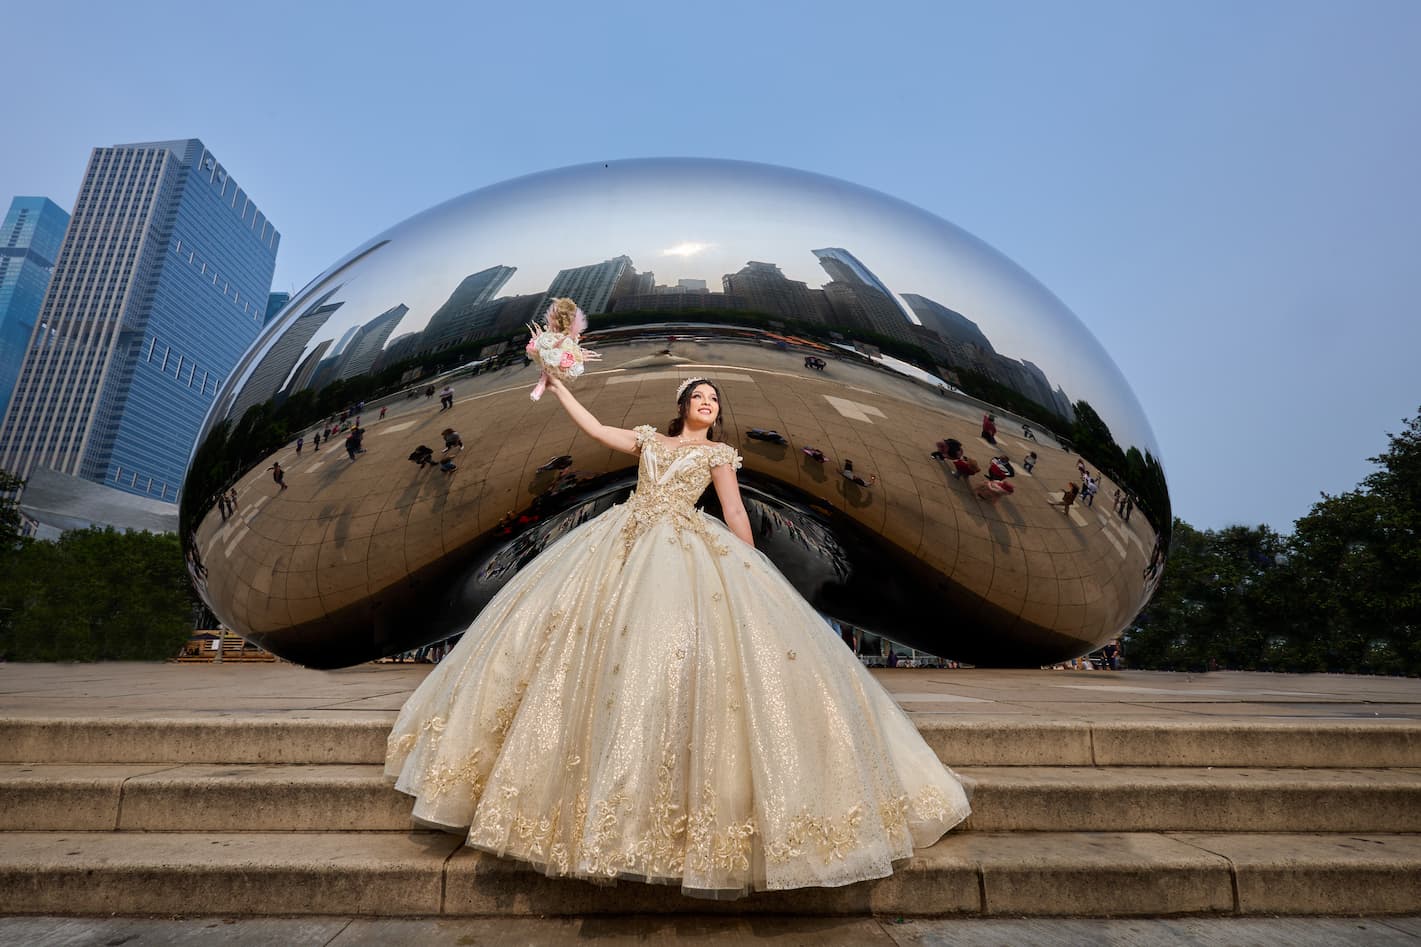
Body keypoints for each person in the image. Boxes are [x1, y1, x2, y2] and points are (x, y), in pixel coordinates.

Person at [386, 376, 969, 898]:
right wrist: (557, 383)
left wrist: (753, 570)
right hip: (620, 545)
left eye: (713, 400)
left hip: (685, 546)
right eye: (698, 398)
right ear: (682, 406)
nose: (707, 405)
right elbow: (592, 427)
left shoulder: (718, 454)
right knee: (591, 644)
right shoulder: (648, 442)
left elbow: (736, 512)